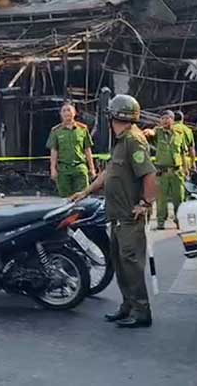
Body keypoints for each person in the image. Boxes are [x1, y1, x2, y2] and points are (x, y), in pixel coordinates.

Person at [71, 94, 157, 329]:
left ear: (115, 116)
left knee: (131, 264)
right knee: (120, 263)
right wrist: (85, 192)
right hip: (117, 216)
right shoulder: (121, 142)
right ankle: (127, 305)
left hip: (130, 217)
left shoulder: (133, 141)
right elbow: (108, 174)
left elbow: (149, 174)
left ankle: (142, 312)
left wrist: (146, 203)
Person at [144, 110, 192, 230]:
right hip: (162, 172)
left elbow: (183, 153)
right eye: (162, 118)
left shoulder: (179, 134)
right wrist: (148, 132)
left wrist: (187, 170)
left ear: (172, 120)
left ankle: (179, 221)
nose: (165, 121)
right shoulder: (158, 132)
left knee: (179, 198)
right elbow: (151, 133)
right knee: (161, 199)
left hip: (177, 172)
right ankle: (161, 222)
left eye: (167, 118)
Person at [48, 102, 97, 198]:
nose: (66, 113)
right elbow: (54, 151)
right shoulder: (56, 131)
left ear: (74, 113)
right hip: (63, 170)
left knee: (83, 197)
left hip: (79, 169)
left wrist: (92, 168)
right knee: (66, 199)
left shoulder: (83, 129)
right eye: (64, 111)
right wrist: (52, 169)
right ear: (61, 114)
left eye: (69, 110)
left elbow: (87, 149)